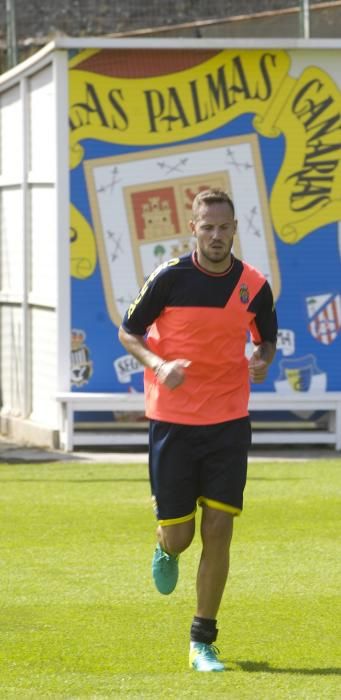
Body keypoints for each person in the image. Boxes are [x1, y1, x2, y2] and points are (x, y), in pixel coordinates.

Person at [118, 188, 277, 672]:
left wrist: (262, 361)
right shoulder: (169, 278)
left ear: (234, 230)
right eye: (206, 227)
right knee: (181, 537)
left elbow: (266, 337)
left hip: (229, 420)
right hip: (173, 421)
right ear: (193, 229)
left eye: (223, 227)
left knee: (220, 528)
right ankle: (164, 541)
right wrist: (159, 363)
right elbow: (129, 331)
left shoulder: (253, 284)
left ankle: (202, 641)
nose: (215, 235)